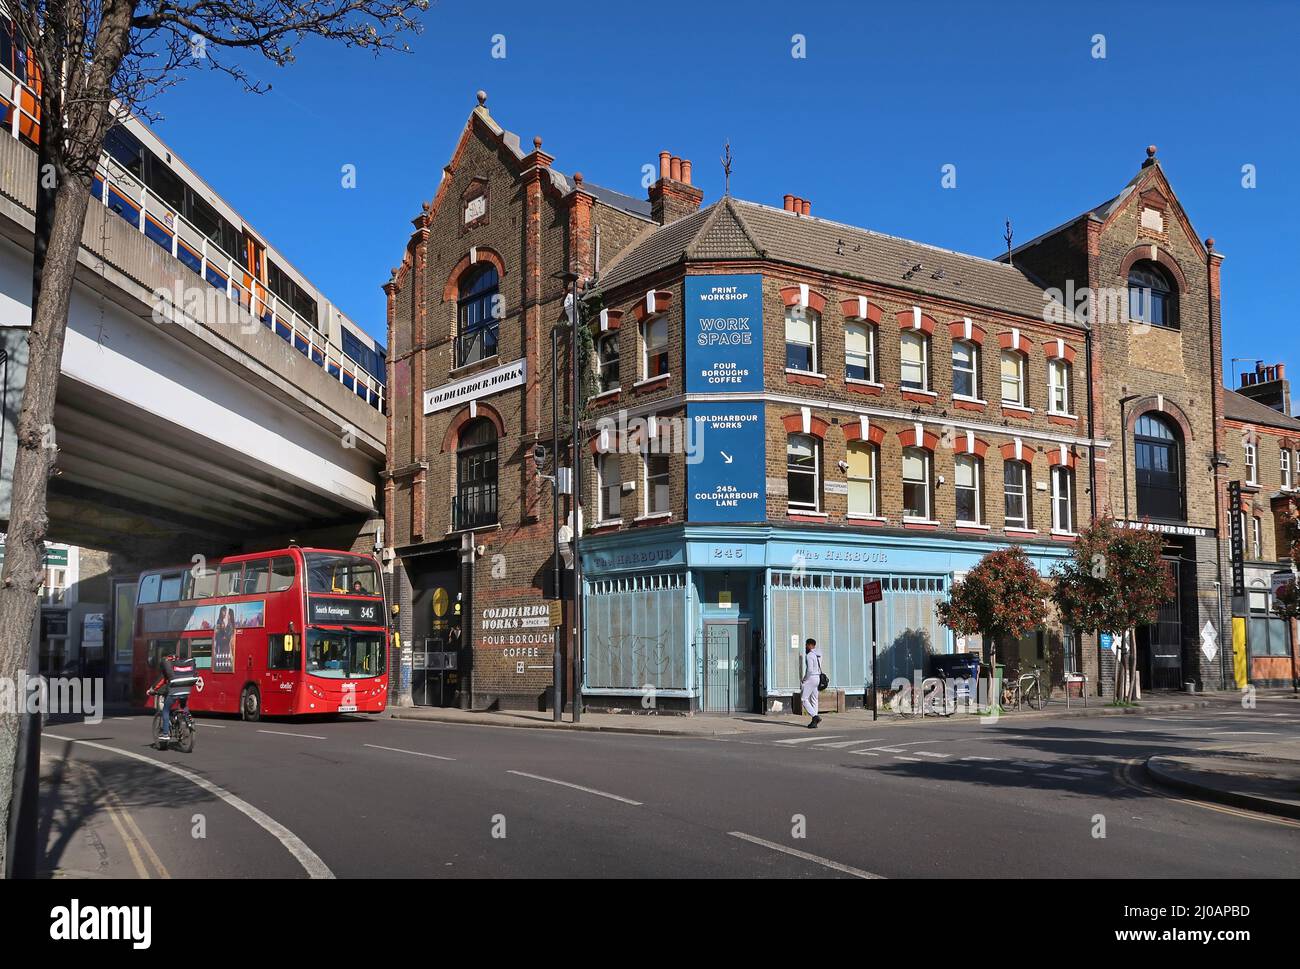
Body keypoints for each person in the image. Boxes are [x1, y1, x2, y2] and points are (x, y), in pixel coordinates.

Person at [149, 650, 199, 743]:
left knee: (166, 710)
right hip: (187, 689)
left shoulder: (168, 665)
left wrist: (152, 690)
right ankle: (188, 718)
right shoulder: (181, 664)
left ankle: (165, 734)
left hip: (174, 691)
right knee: (183, 706)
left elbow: (162, 680)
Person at [801, 638, 824, 728]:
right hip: (817, 677)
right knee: (814, 699)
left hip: (811, 678)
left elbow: (810, 670)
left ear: (810, 645)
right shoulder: (819, 654)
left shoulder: (810, 655)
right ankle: (814, 722)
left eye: (806, 645)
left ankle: (815, 716)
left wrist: (805, 679)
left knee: (803, 699)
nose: (805, 647)